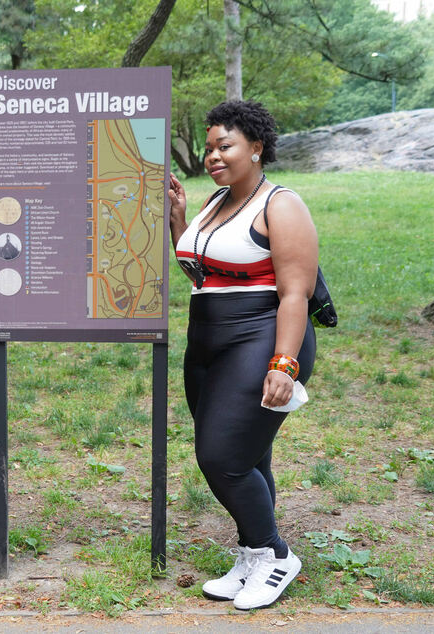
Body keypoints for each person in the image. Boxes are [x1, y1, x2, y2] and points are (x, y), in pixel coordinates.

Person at [168, 101, 318, 610]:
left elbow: (294, 294)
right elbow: (203, 273)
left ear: (256, 148)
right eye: (209, 147)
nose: (212, 155)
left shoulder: (280, 204)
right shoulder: (216, 202)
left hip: (261, 337)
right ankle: (253, 555)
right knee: (248, 456)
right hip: (207, 341)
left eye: (224, 145)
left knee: (221, 457)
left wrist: (284, 363)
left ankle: (276, 555)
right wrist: (179, 221)